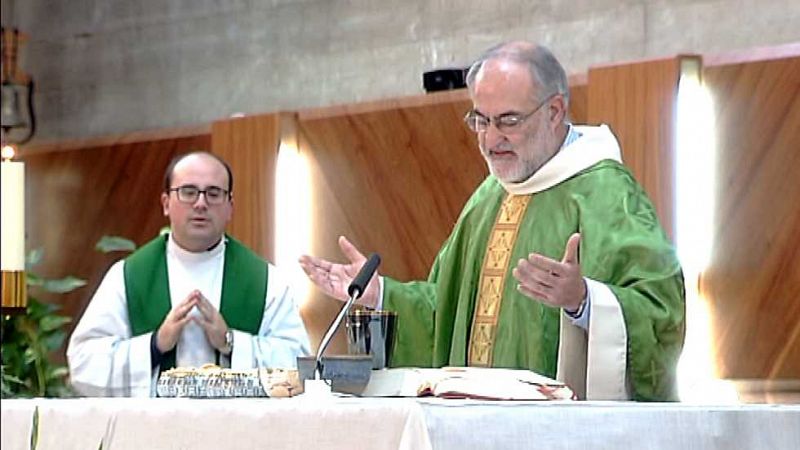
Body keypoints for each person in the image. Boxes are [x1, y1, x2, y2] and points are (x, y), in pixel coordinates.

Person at [299, 41, 685, 401]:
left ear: (554, 112)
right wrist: (379, 295)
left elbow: (662, 314)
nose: (490, 139)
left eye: (508, 121)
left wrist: (584, 302)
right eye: (480, 121)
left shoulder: (605, 192)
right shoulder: (490, 195)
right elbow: (446, 309)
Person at [68, 151, 311, 397]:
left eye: (214, 193)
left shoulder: (266, 281)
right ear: (166, 204)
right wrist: (155, 345)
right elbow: (83, 363)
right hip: (152, 431)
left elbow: (299, 366)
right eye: (188, 192)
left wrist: (231, 343)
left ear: (230, 208)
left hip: (237, 430)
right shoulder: (126, 277)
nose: (201, 203)